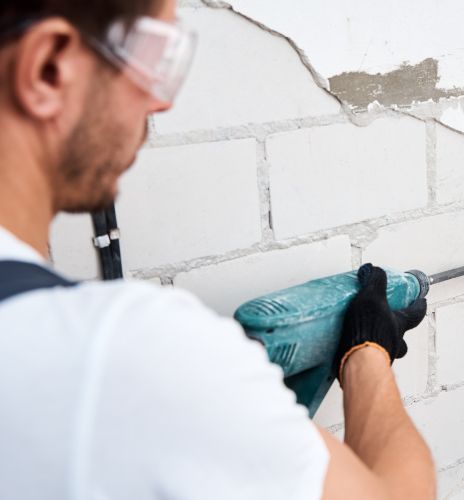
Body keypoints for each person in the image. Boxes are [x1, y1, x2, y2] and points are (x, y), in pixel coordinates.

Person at [0, 0, 436, 498]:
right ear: (47, 68)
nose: (160, 102)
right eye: (153, 57)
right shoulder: (132, 353)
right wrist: (366, 351)